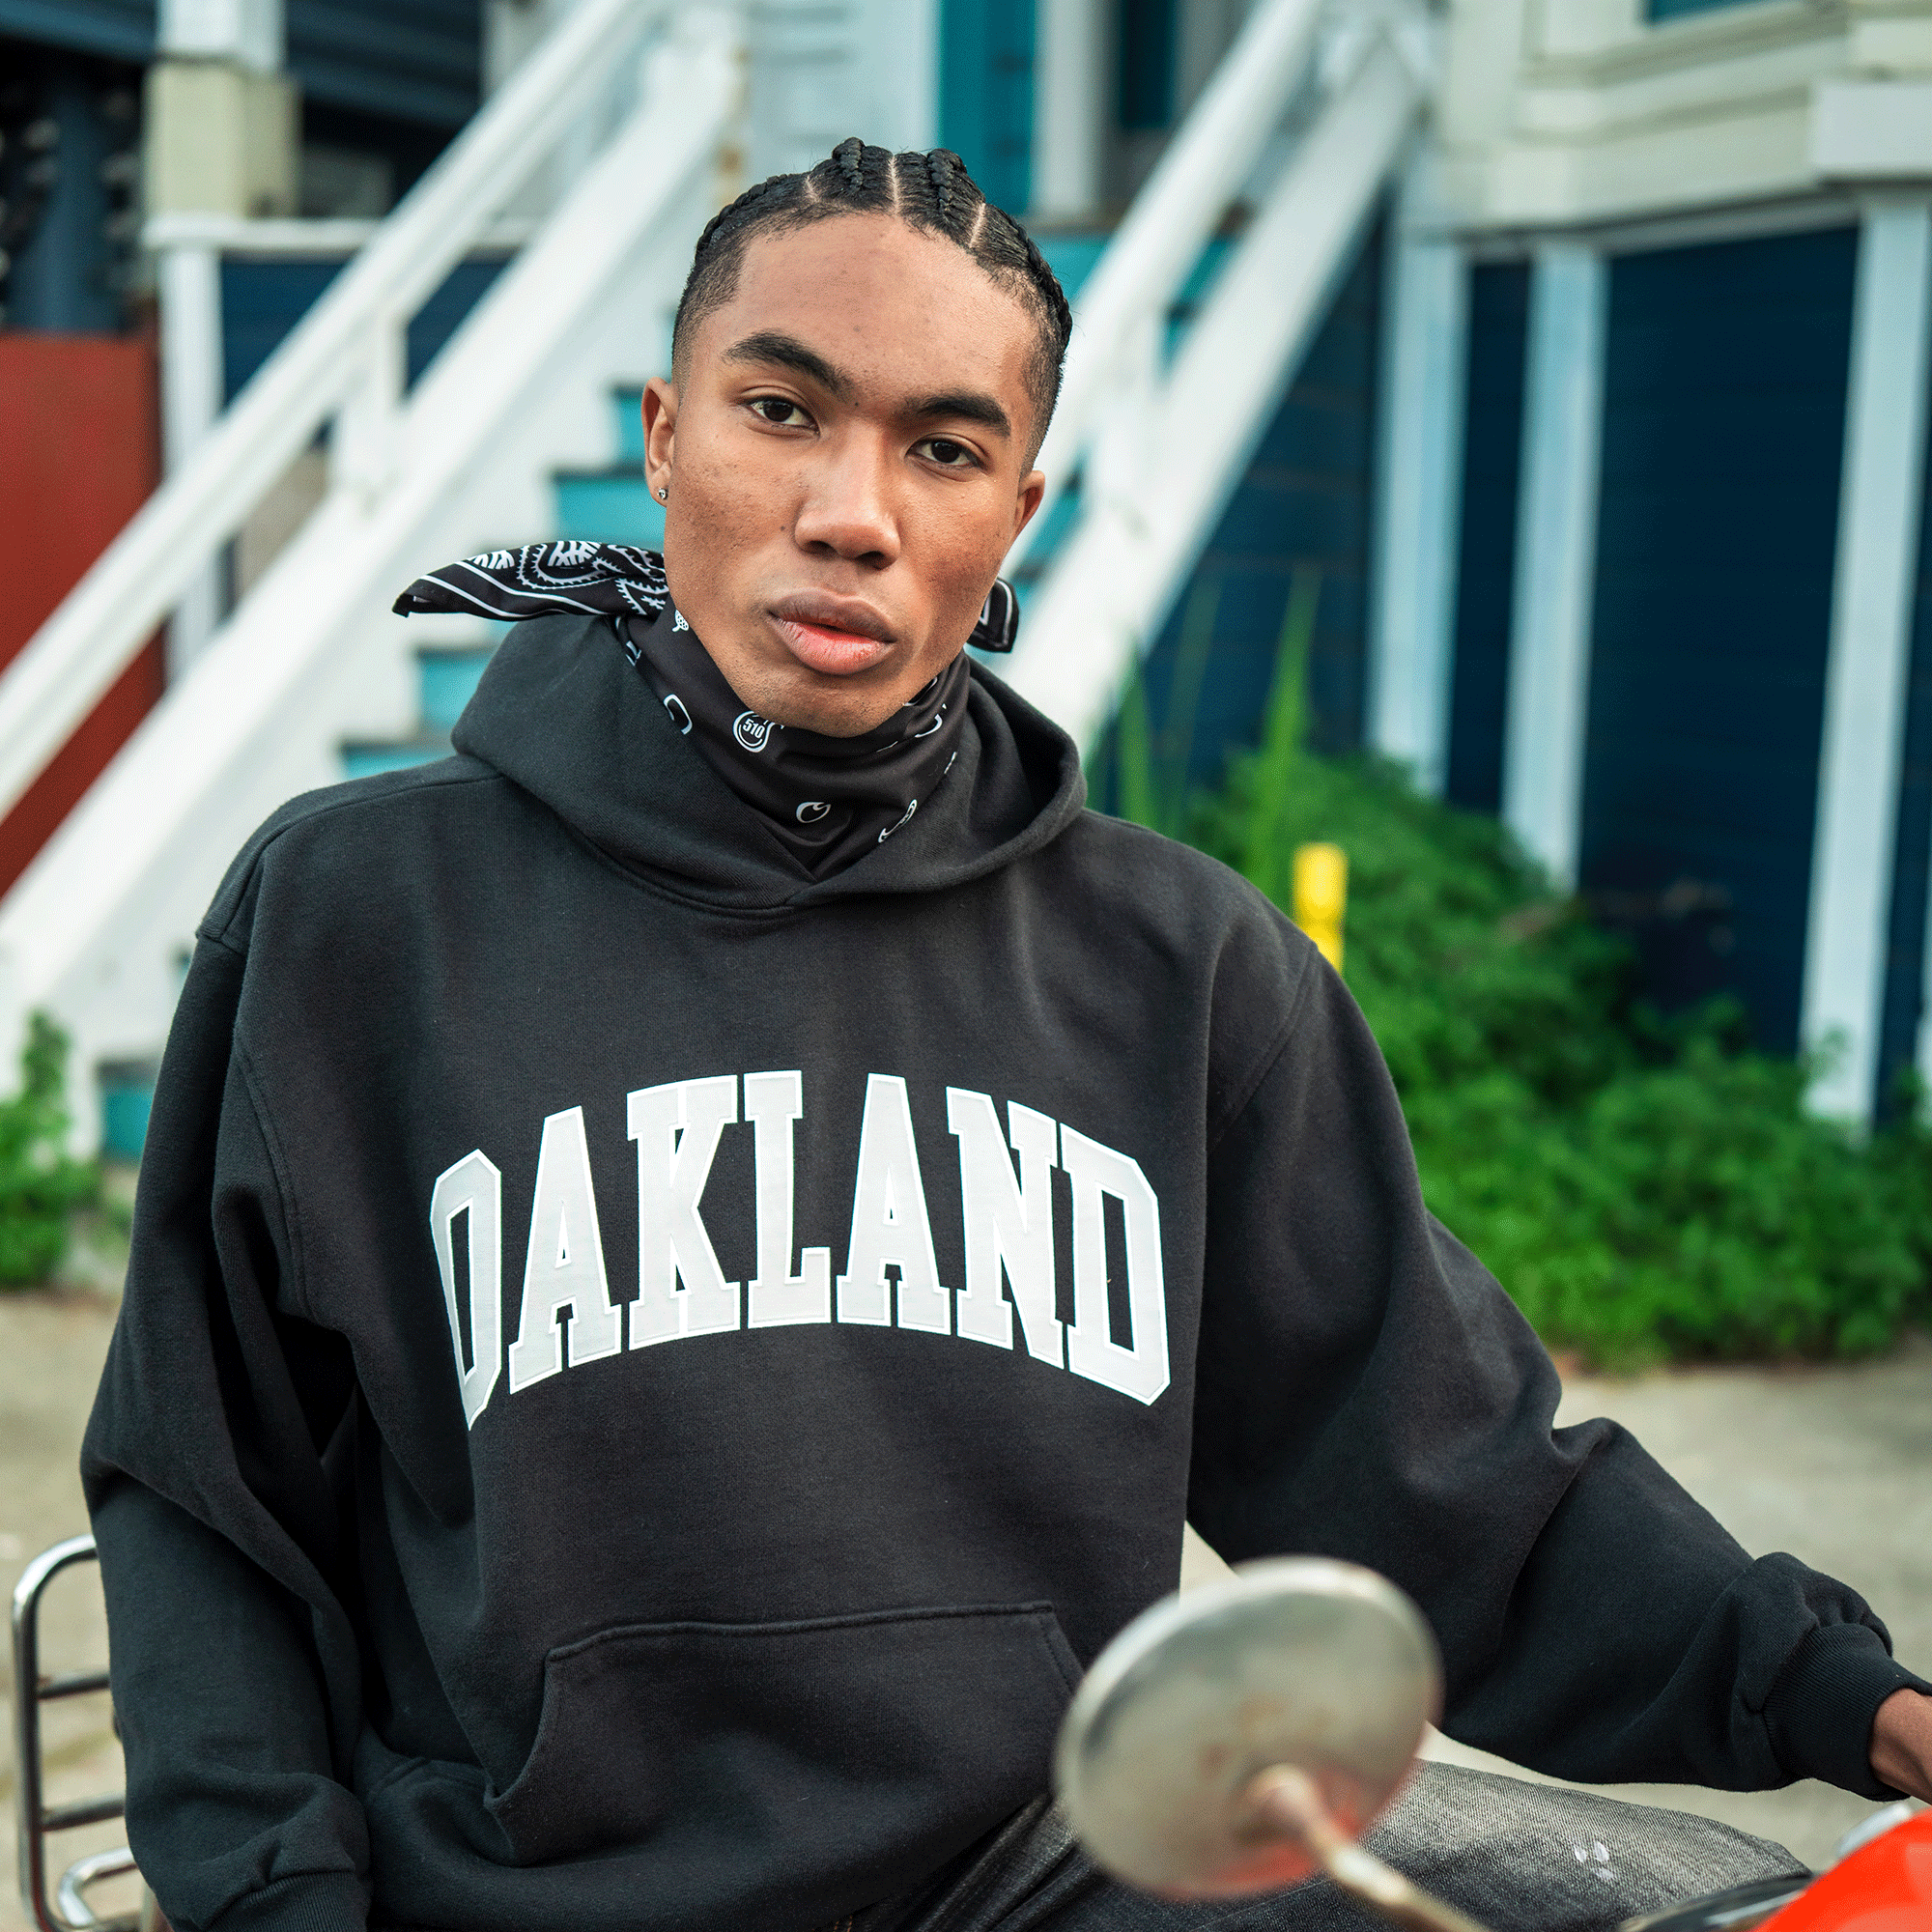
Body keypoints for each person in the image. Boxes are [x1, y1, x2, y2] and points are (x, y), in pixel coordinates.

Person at [84, 137, 1931, 1932]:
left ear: (1015, 514)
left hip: (1060, 1862)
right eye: (780, 410)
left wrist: (1844, 1699)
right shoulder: (356, 919)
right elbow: (206, 1501)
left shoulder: (1181, 969)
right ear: (663, 435)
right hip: (538, 1892)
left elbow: (1456, 1485)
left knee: (1730, 1908)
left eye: (945, 448)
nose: (853, 513)